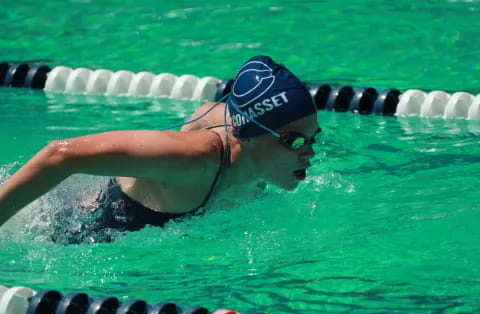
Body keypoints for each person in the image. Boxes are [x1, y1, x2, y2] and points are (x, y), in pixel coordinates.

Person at [0, 55, 321, 243]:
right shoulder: (191, 161)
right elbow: (61, 154)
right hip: (57, 226)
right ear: (252, 134)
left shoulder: (254, 149)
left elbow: (209, 111)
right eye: (294, 140)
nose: (309, 153)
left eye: (314, 138)